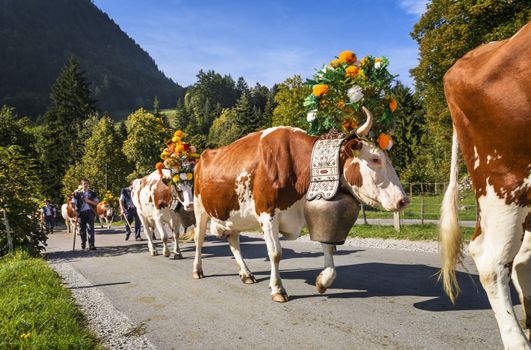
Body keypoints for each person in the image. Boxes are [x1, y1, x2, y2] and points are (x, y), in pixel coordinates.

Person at [71, 179, 99, 250]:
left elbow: (96, 203)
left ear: (88, 185)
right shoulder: (77, 193)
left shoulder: (92, 193)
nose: (85, 185)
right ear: (82, 185)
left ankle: (91, 245)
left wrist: (88, 201)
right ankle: (83, 242)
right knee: (82, 230)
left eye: (87, 183)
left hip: (90, 212)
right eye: (84, 184)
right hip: (81, 213)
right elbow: (73, 202)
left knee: (91, 229)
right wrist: (74, 210)